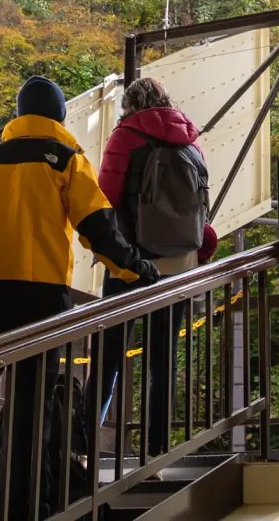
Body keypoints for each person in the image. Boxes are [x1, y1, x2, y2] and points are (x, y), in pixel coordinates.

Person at [0, 76, 161, 521]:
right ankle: (21, 507)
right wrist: (135, 269)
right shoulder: (64, 159)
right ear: (59, 115)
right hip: (39, 302)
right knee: (31, 411)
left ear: (18, 115)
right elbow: (98, 227)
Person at [96, 78, 217, 456]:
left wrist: (108, 250)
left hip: (131, 263)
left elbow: (104, 199)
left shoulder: (125, 136)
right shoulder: (190, 140)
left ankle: (82, 443)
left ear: (129, 105)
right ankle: (157, 449)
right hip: (180, 264)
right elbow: (201, 208)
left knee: (109, 356)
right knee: (163, 360)